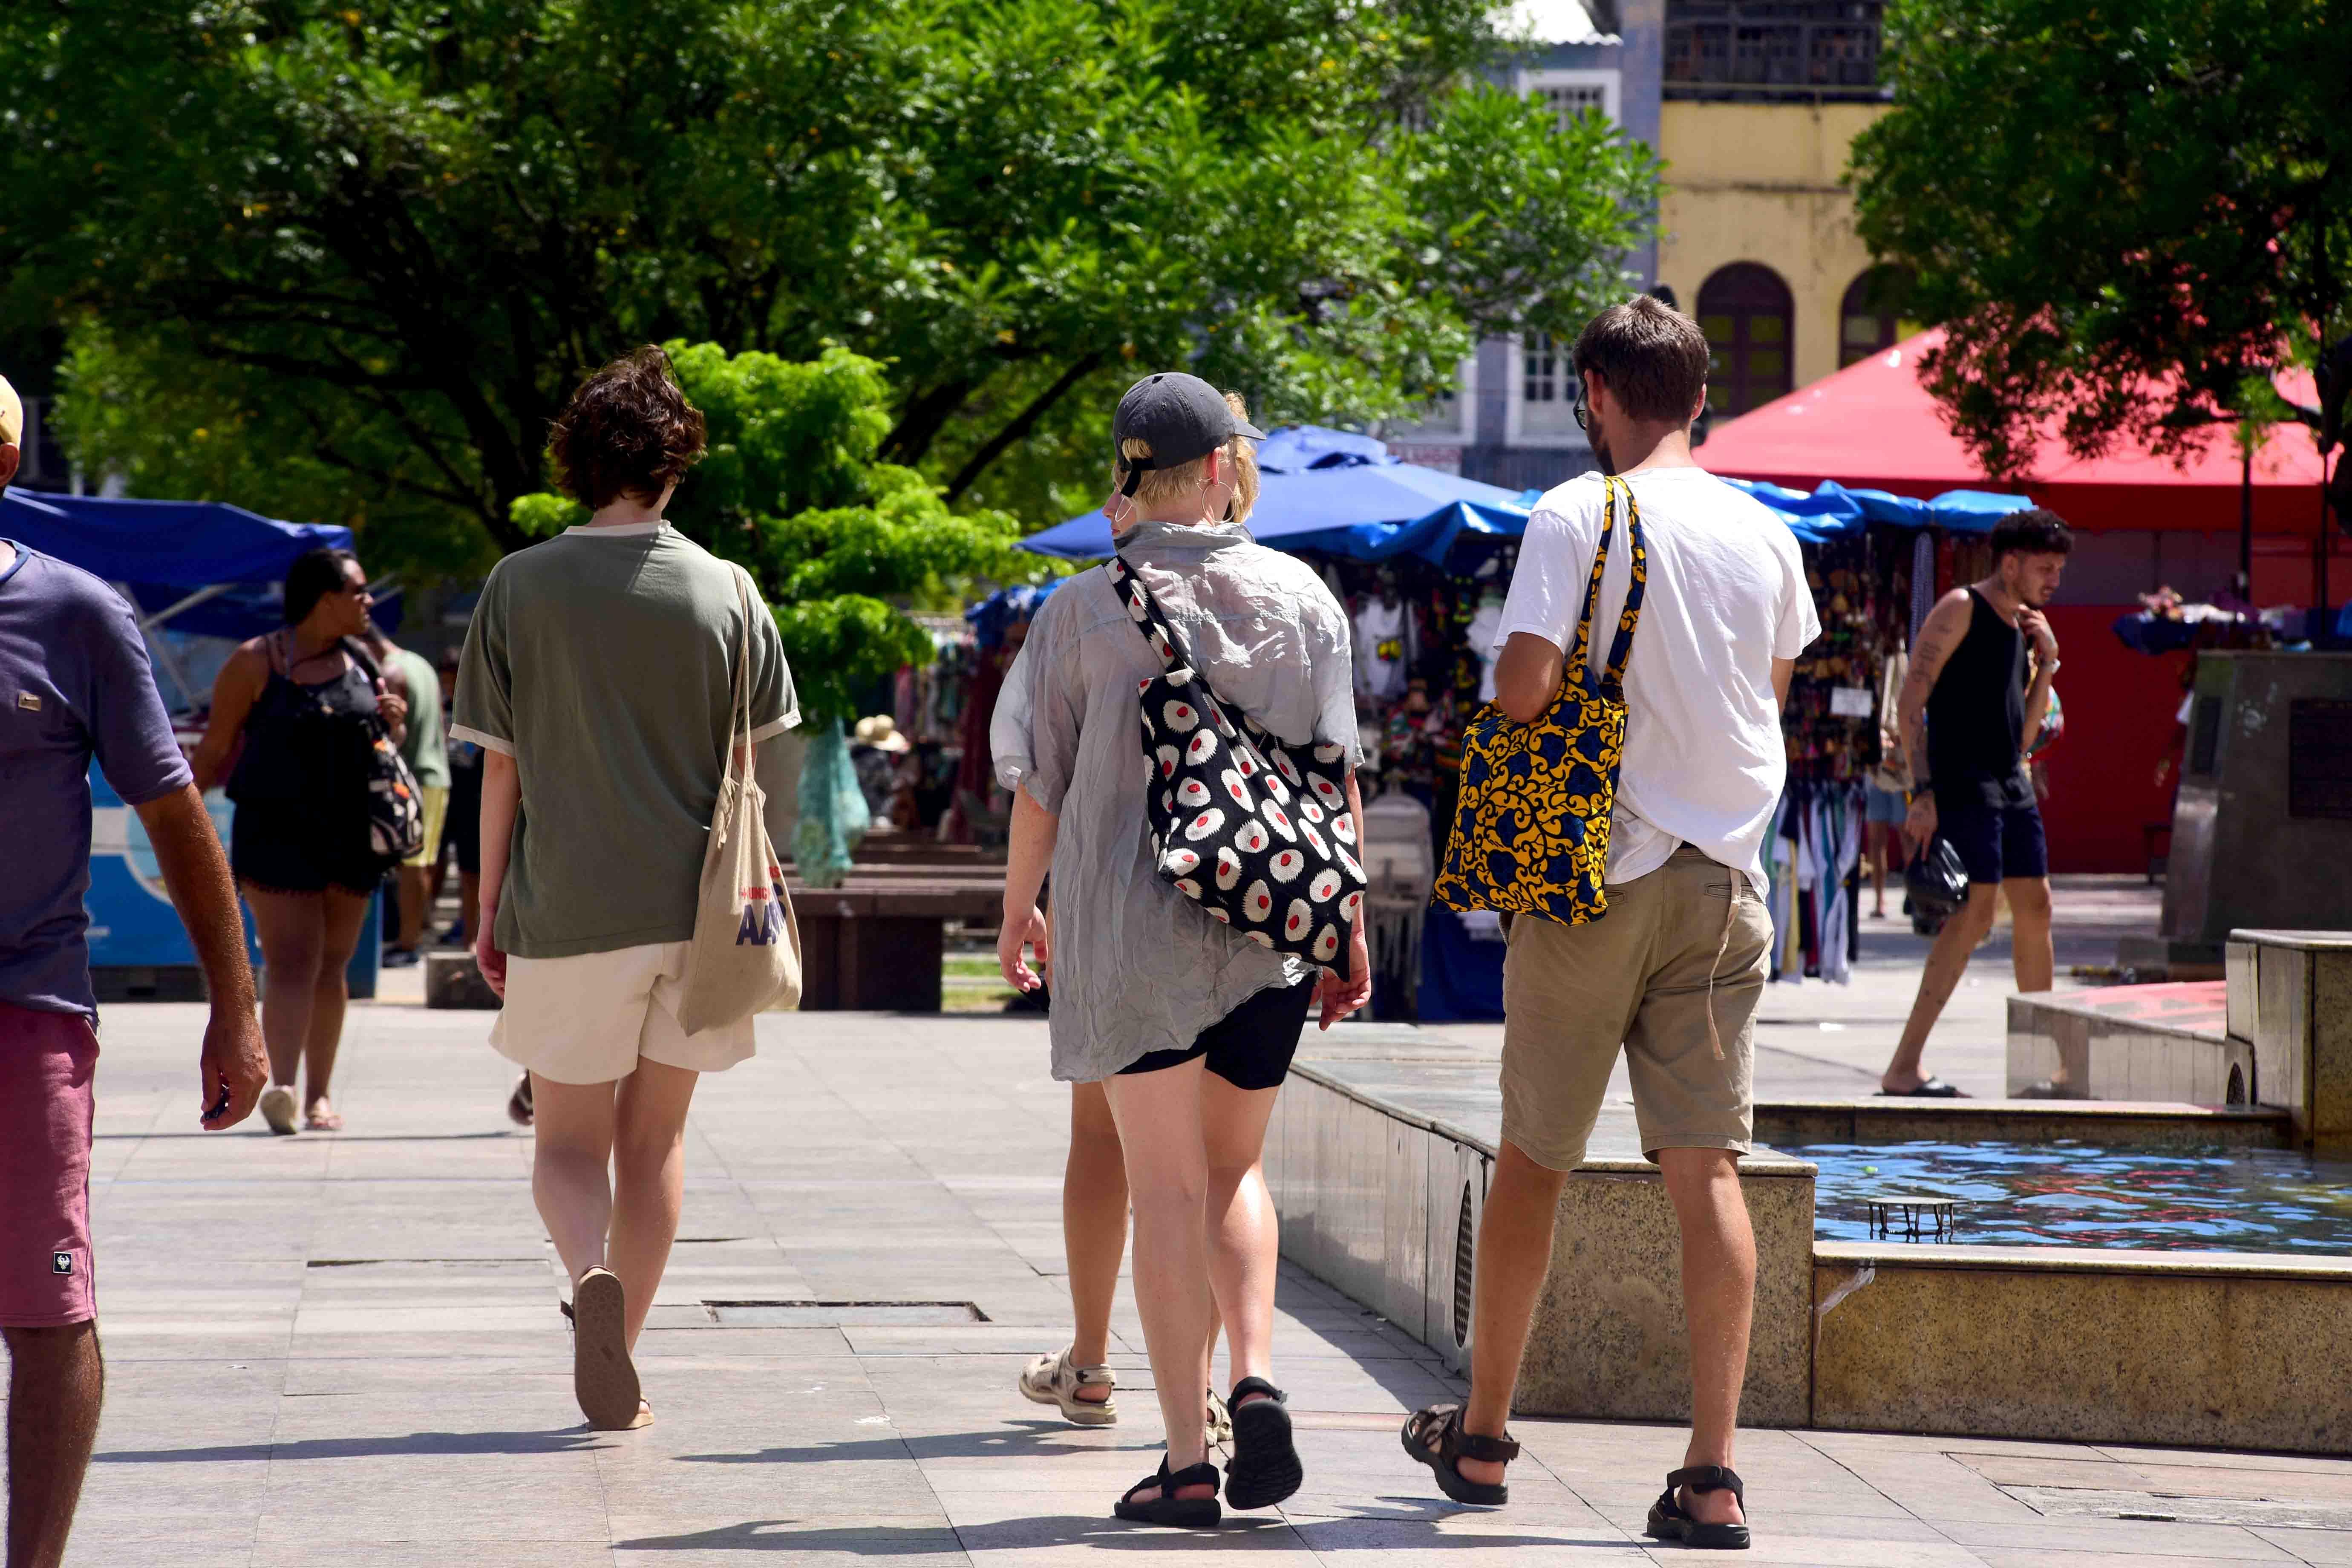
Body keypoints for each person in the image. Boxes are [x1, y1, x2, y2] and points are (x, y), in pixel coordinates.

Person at [1401, 297, 1816, 1553]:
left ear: (1591, 392)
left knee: (1536, 1153)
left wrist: (1516, 670)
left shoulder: (1575, 512)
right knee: (1706, 1166)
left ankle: (1480, 1435)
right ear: (1700, 399)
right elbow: (1771, 688)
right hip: (1723, 876)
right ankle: (1710, 1471)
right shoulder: (1766, 532)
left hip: (1596, 869)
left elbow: (1524, 688)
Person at [994, 372, 1370, 1528]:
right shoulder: (1305, 600)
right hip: (1270, 929)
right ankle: (1252, 1375)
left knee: (1163, 1188)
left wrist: (1018, 912)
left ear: (1128, 475)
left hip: (1130, 933)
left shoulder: (1078, 609)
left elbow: (1038, 789)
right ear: (1221, 470)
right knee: (1234, 1175)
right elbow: (1335, 775)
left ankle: (1184, 1458)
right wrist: (1346, 929)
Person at [455, 346, 798, 1430]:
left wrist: (486, 901)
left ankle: (586, 1270)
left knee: (565, 1142)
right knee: (656, 1144)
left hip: (566, 905)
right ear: (675, 461)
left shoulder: (519, 585)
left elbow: (498, 766)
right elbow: (759, 767)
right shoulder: (728, 591)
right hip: (698, 917)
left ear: (575, 460)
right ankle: (625, 1356)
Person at [0, 373, 269, 1568]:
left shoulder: (74, 614)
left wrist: (238, 1011)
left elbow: (174, 815)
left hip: (26, 1014)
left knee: (46, 1313)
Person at [192, 547, 409, 1134]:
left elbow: (385, 748)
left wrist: (394, 720)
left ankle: (319, 1097)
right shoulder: (257, 660)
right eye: (359, 591)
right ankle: (282, 1088)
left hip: (351, 836)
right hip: (276, 832)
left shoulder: (365, 663)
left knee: (333, 966)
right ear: (324, 597)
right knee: (292, 961)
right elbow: (214, 749)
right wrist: (180, 822)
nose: (369, 602)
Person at [1877, 510, 2070, 1097]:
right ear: (2009, 563)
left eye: (2059, 570)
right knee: (1975, 913)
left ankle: (2043, 1066)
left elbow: (2024, 734)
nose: (2054, 581)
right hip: (1962, 782)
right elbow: (1912, 700)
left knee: (2035, 905)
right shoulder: (1961, 606)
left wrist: (2050, 663)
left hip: (2010, 778)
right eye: (2045, 568)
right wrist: (1923, 792)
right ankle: (1904, 1066)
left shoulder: (2021, 627)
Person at [368, 624, 449, 968]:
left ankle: (407, 943)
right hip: (436, 774)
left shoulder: (391, 672)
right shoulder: (421, 663)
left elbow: (394, 734)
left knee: (412, 865)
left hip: (411, 776)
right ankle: (414, 936)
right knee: (421, 862)